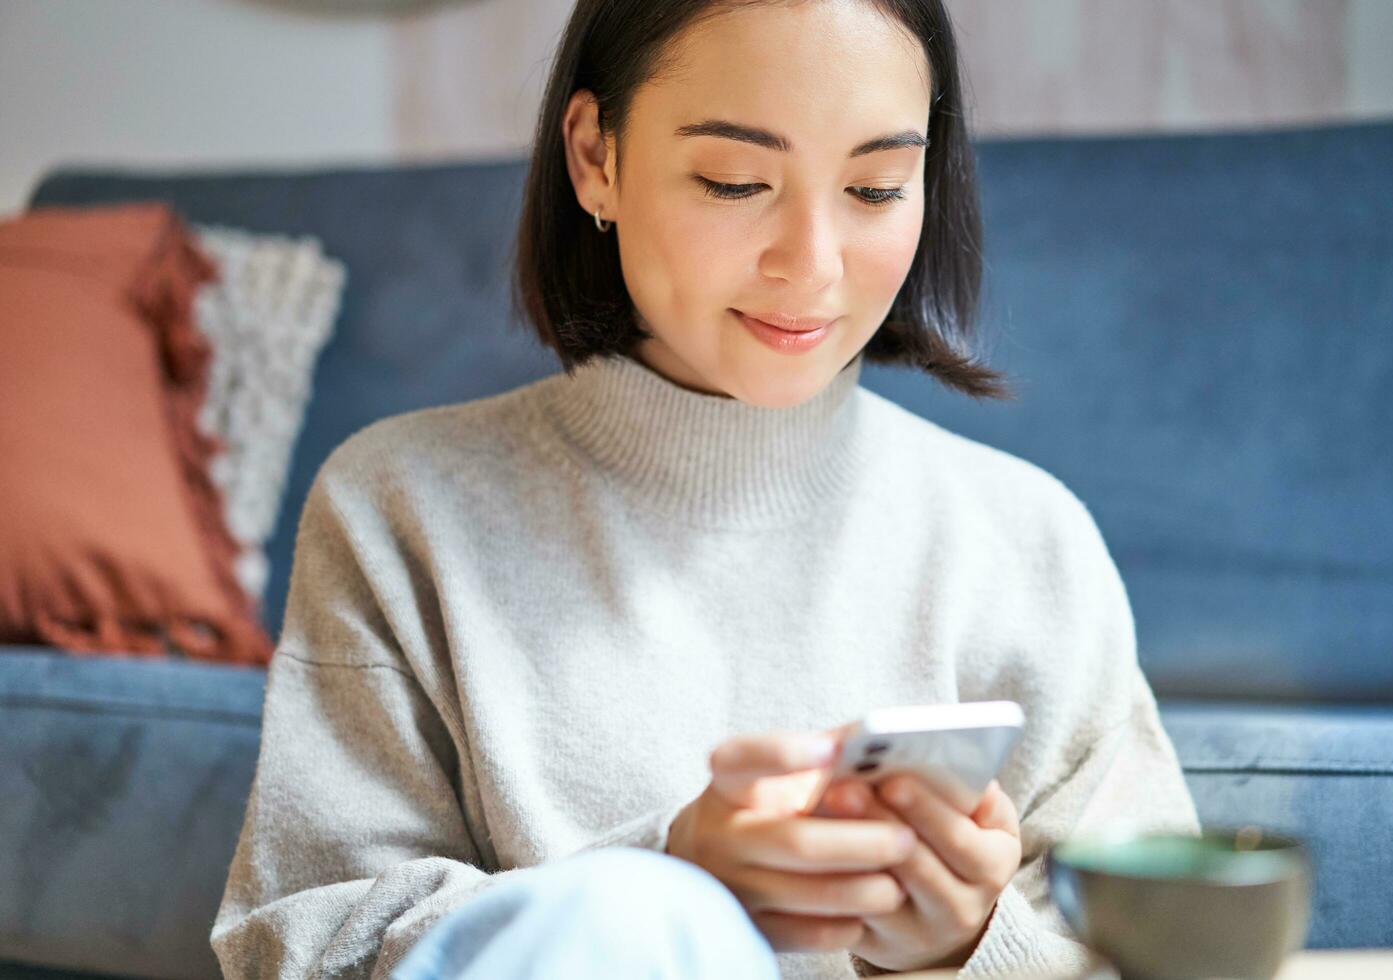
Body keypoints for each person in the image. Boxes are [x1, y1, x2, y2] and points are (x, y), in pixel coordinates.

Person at [210, 0, 1201, 977]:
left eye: (876, 186)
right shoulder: (399, 509)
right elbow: (296, 945)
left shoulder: (1028, 543)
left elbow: (1179, 950)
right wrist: (666, 882)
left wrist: (963, 950)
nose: (810, 264)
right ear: (597, 157)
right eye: (736, 180)